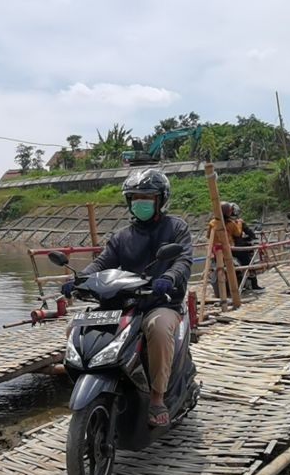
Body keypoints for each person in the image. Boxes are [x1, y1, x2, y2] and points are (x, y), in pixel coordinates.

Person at [62, 169, 193, 427]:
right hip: (123, 303)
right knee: (74, 327)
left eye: (147, 196)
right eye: (135, 197)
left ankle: (157, 397)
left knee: (157, 329)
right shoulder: (122, 236)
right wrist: (79, 279)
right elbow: (102, 262)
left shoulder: (176, 228)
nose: (140, 202)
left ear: (160, 199)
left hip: (160, 302)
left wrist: (169, 277)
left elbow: (183, 260)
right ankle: (88, 381)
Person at [210, 202, 262, 291]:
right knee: (247, 260)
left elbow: (208, 236)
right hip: (230, 248)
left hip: (216, 250)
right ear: (229, 212)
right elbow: (237, 234)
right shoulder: (231, 223)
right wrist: (240, 224)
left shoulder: (212, 223)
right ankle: (254, 283)